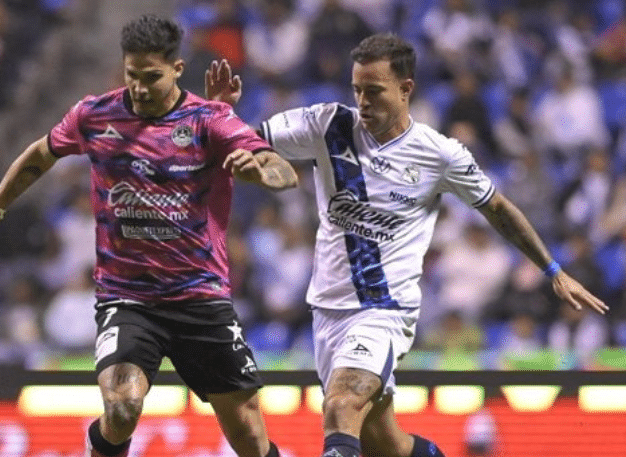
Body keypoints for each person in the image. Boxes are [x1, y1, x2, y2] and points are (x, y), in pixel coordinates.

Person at [206, 33, 609, 457]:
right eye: (357, 90)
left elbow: (498, 209)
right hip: (327, 310)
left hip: (384, 311)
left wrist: (553, 270)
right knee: (384, 442)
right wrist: (222, 116)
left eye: (374, 91)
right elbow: (250, 141)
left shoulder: (440, 154)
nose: (362, 102)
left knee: (341, 405)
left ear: (406, 89)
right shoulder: (327, 124)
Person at [0, 15, 297, 457]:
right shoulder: (96, 115)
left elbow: (280, 168)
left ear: (176, 68)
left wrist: (263, 171)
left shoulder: (209, 120)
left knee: (249, 435)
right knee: (122, 407)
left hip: (200, 299)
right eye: (133, 75)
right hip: (128, 299)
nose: (140, 87)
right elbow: (39, 155)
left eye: (151, 76)